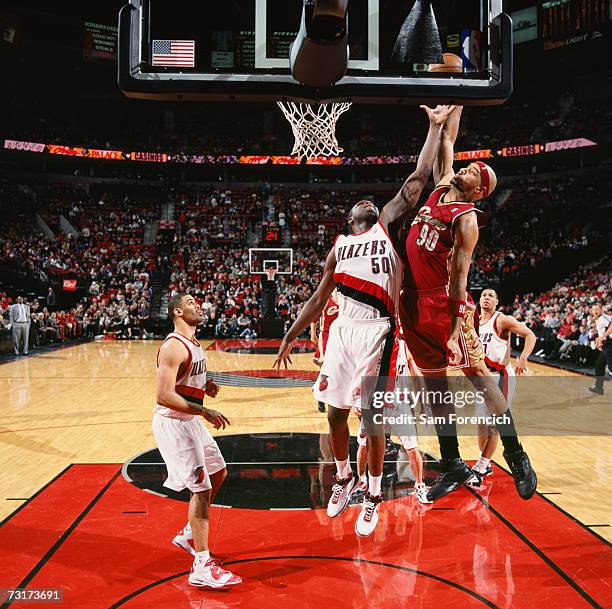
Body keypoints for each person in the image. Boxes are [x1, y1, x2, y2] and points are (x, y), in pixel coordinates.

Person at [274, 105, 456, 537]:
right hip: (342, 334)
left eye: (369, 202)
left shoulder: (386, 226)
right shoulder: (339, 246)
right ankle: (344, 476)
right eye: (359, 203)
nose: (366, 201)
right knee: (335, 417)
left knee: (372, 421)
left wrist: (432, 128)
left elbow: (415, 183)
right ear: (349, 220)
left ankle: (373, 494)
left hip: (380, 333)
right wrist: (290, 336)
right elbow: (319, 298)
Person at [397, 106, 537, 502]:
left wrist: (459, 322)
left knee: (479, 378)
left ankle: (517, 454)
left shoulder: (467, 218)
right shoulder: (442, 184)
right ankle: (454, 465)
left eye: (476, 171)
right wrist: (453, 101)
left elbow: (459, 277)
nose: (468, 168)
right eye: (470, 165)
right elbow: (447, 140)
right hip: (413, 303)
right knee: (435, 386)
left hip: (446, 304)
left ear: (480, 190)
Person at [153, 293, 241, 589]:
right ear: (177, 311)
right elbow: (164, 395)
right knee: (201, 490)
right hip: (174, 424)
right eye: (191, 302)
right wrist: (204, 409)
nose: (198, 305)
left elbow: (187, 380)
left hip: (189, 421)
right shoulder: (172, 347)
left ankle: (188, 534)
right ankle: (201, 566)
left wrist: (207, 384)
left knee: (219, 473)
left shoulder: (194, 344)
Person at [468, 288, 536, 488]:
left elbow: (530, 335)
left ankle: (480, 467)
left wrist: (523, 357)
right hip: (481, 377)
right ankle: (486, 463)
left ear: (496, 302)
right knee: (481, 424)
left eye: (490, 296)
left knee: (494, 425)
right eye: (483, 295)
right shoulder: (473, 323)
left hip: (500, 377)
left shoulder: (501, 320)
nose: (486, 298)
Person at [310, 288, 339, 413]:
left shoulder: (344, 301)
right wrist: (313, 333)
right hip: (326, 335)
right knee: (326, 367)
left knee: (337, 369)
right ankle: (320, 397)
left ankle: (321, 391)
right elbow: (314, 316)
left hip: (340, 335)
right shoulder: (326, 300)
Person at [589, 303, 612, 396]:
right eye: (594, 309)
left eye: (597, 309)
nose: (595, 311)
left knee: (611, 368)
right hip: (607, 343)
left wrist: (602, 337)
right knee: (599, 365)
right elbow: (603, 331)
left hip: (610, 343)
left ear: (601, 310)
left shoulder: (603, 317)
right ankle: (599, 388)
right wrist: (600, 342)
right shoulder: (598, 319)